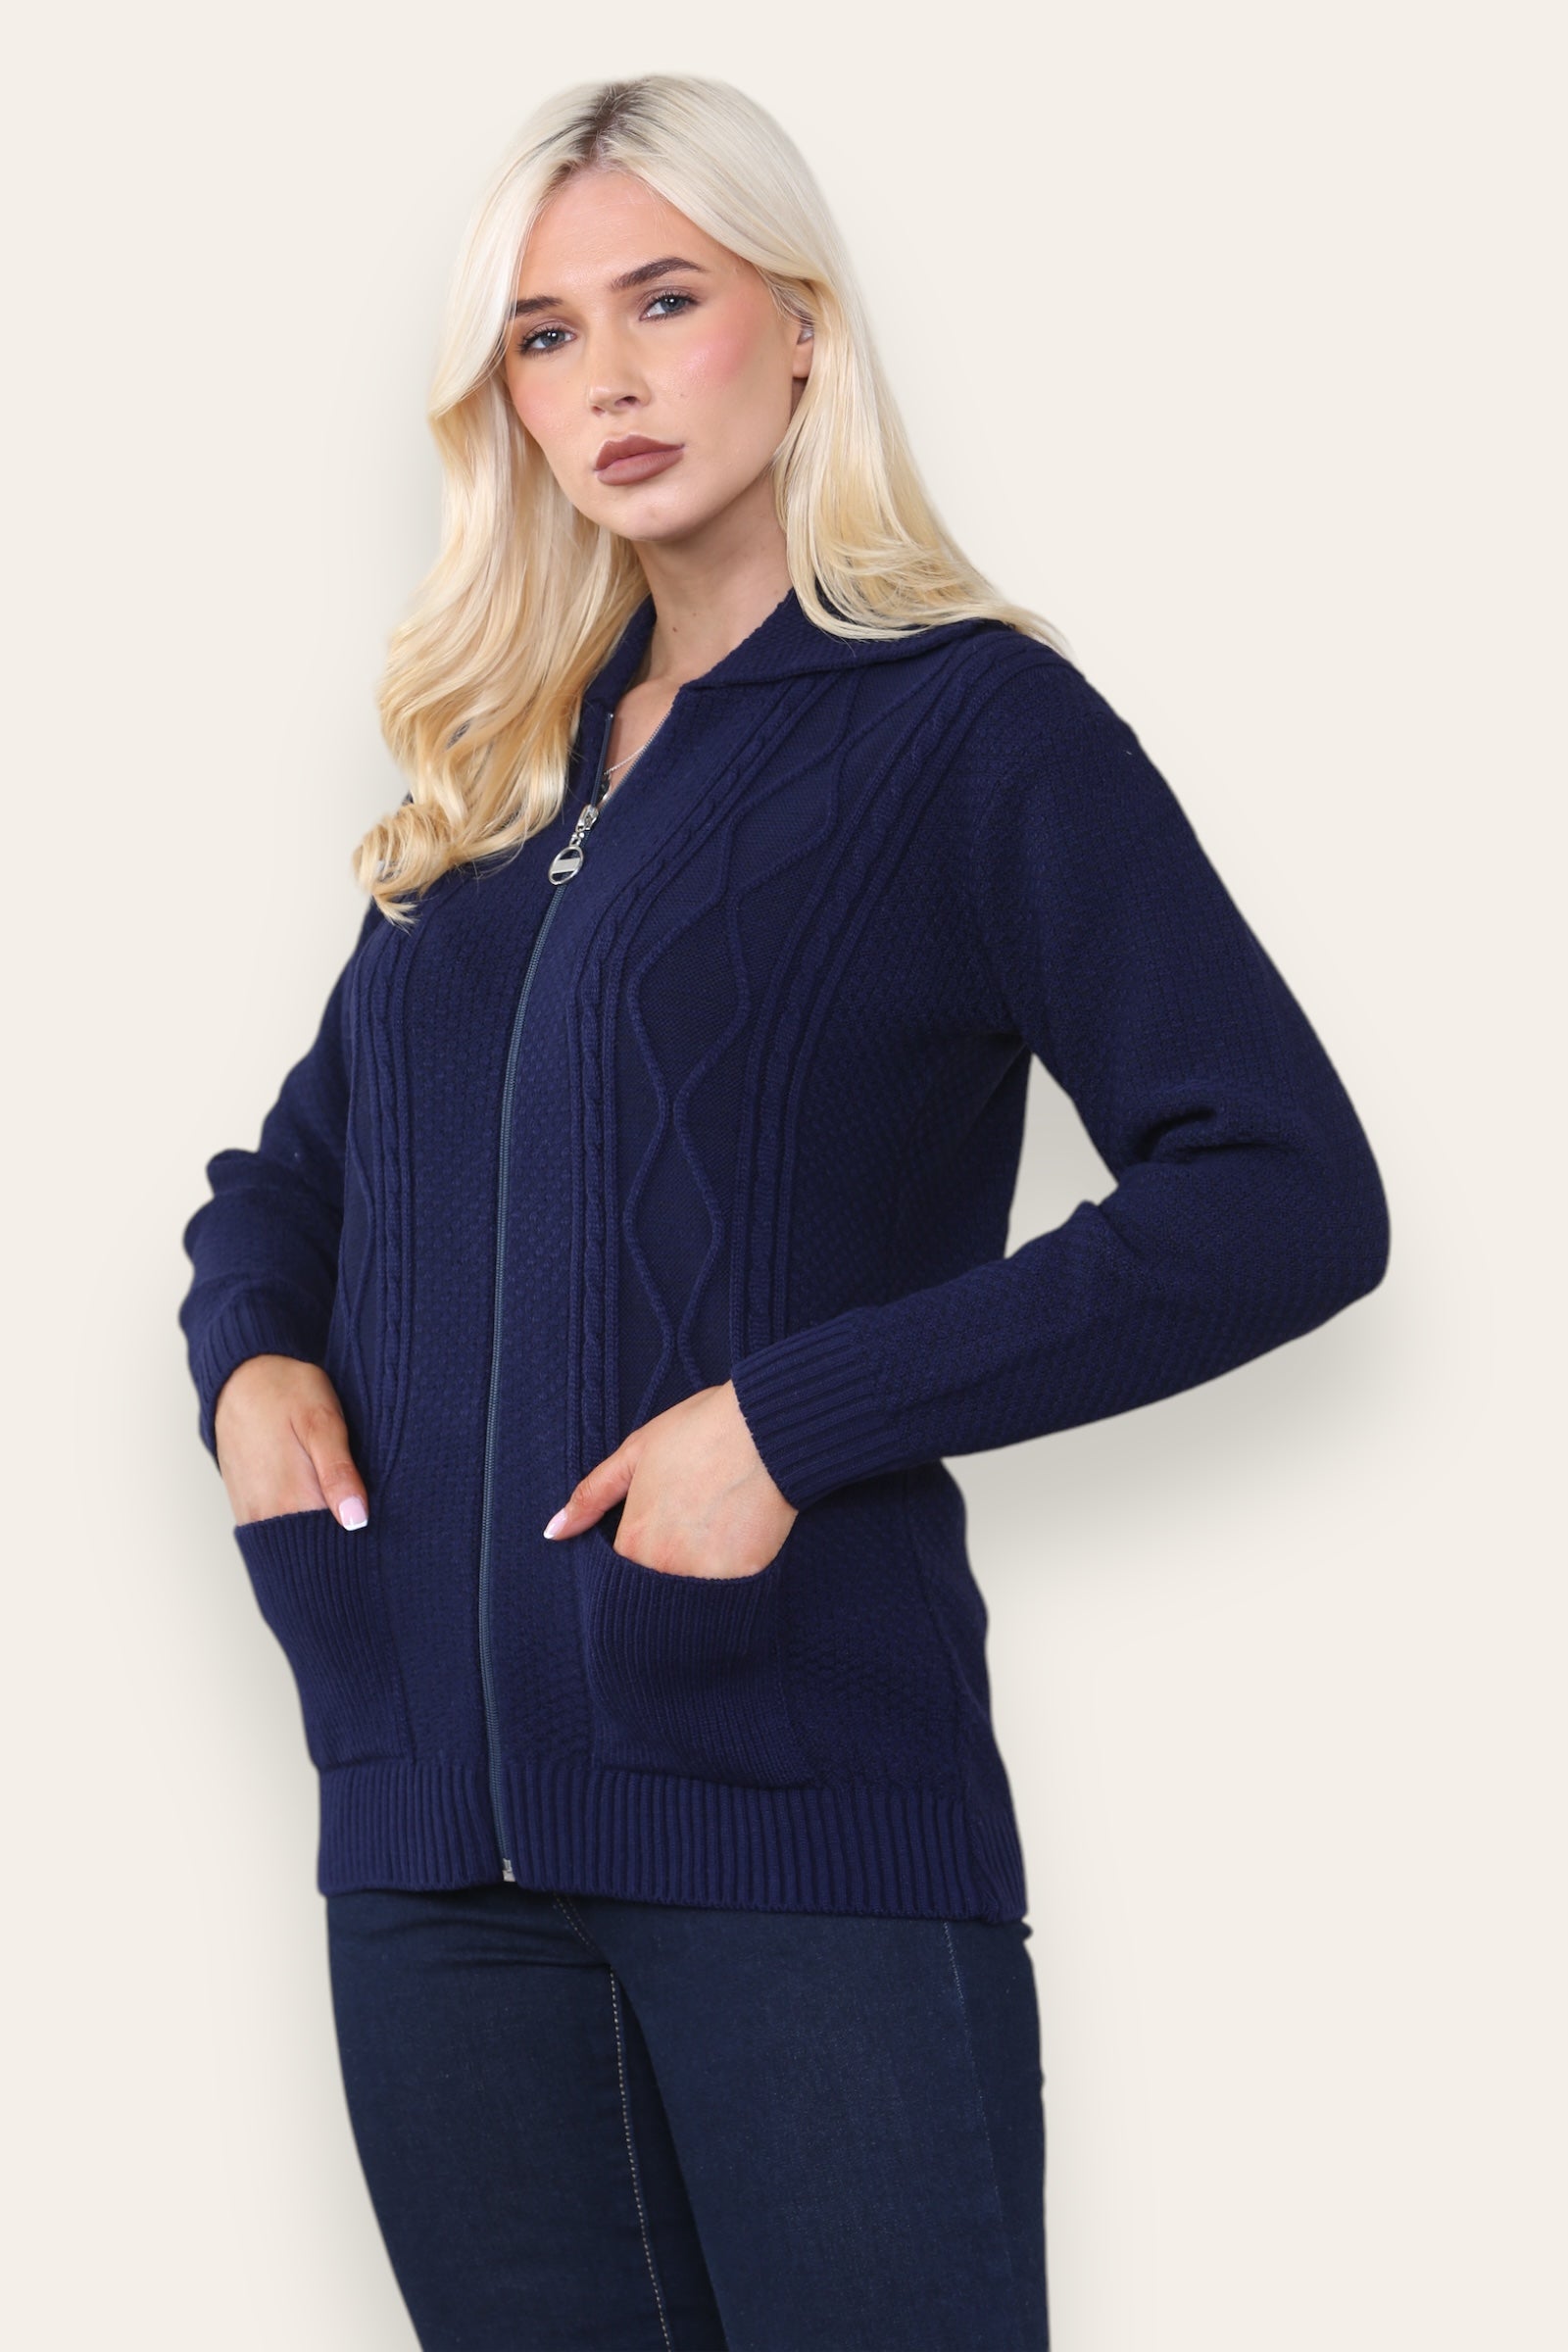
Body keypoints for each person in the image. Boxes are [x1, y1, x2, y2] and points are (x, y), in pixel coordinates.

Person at [179, 72, 1390, 2352]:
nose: (608, 381)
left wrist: (787, 1421)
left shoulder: (970, 734)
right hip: (433, 1867)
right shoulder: (497, 770)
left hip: (794, 1823)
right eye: (545, 335)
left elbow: (1281, 1192)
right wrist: (248, 1367)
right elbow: (295, 1175)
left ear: (804, 326)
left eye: (667, 301)